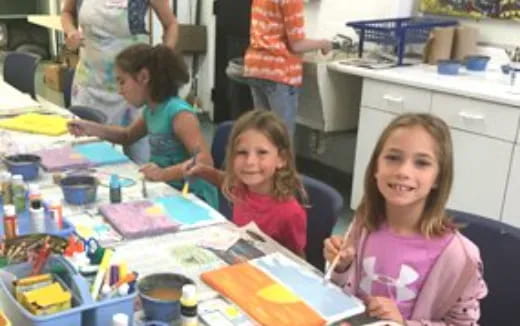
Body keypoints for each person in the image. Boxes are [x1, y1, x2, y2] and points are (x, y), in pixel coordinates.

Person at [324, 113, 487, 326]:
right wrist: (340, 267)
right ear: (376, 168)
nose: (403, 171)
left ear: (438, 177)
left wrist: (402, 323)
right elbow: (339, 293)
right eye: (393, 158)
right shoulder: (362, 223)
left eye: (421, 163)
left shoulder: (460, 257)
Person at [67, 43, 218, 208]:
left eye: (122, 82)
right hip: (167, 189)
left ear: (144, 77)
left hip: (194, 197)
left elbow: (204, 162)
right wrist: (89, 128)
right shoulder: (151, 111)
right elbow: (127, 136)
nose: (119, 90)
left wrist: (164, 174)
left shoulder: (178, 114)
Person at [61, 0, 178, 164]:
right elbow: (67, 13)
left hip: (134, 88)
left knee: (140, 159)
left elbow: (171, 24)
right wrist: (70, 31)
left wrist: (164, 57)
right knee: (88, 155)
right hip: (90, 84)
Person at [184, 110, 308, 255]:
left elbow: (298, 259)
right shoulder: (241, 186)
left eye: (262, 153)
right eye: (242, 152)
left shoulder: (289, 213)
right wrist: (203, 171)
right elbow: (225, 180)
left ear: (281, 159)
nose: (250, 162)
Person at [243, 0, 333, 138]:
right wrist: (324, 44)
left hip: (256, 66)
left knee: (262, 133)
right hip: (279, 71)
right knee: (282, 138)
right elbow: (297, 45)